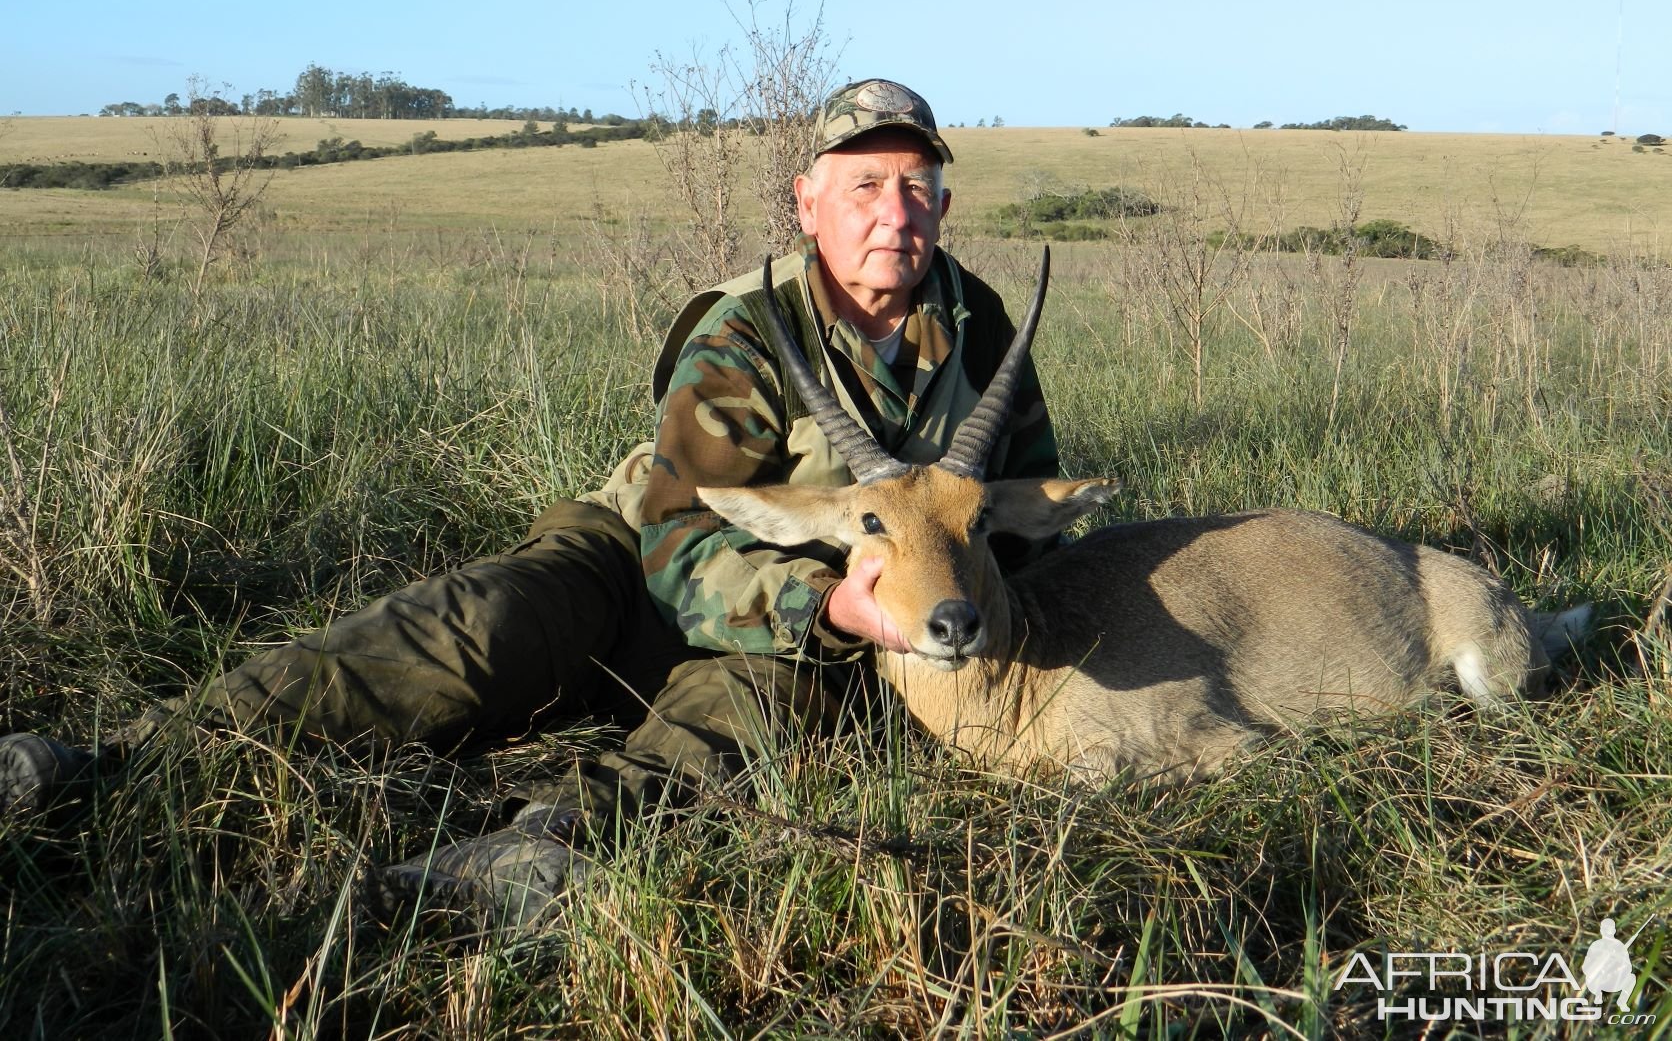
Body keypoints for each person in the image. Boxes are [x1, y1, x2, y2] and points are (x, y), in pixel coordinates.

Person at [0, 78, 1059, 929]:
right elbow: (681, 539)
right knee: (472, 631)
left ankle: (516, 855)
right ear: (807, 200)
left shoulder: (985, 331)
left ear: (945, 207)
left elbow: (1024, 531)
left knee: (749, 715)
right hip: (644, 564)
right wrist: (820, 609)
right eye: (864, 185)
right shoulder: (744, 326)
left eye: (916, 187)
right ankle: (115, 762)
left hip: (828, 638)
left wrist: (900, 626)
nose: (894, 213)